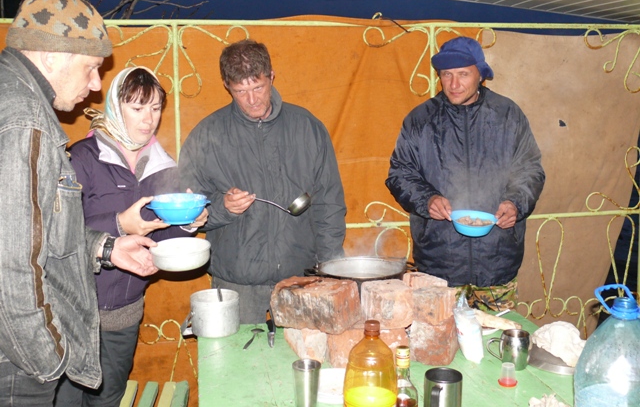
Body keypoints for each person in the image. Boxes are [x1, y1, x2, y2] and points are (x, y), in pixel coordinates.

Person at [0, 0, 158, 407]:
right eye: (90, 68)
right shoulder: (24, 119)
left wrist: (106, 247)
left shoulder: (13, 97)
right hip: (15, 366)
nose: (95, 84)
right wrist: (51, 359)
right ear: (51, 56)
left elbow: (42, 231)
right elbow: (11, 267)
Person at [53, 66, 208, 406]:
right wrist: (119, 223)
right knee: (64, 401)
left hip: (123, 313)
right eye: (137, 107)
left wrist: (188, 224)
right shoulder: (83, 158)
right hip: (72, 313)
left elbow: (160, 235)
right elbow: (56, 229)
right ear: (115, 106)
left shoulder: (163, 166)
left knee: (108, 398)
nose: (148, 119)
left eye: (155, 108)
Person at [178, 39, 347, 324]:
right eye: (241, 91)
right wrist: (224, 208)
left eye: (258, 87)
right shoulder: (207, 135)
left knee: (300, 352)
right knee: (236, 354)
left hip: (300, 279)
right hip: (237, 283)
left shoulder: (307, 128)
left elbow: (329, 204)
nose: (252, 100)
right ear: (226, 86)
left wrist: (331, 268)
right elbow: (187, 212)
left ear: (271, 76)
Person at [385, 36, 545, 311]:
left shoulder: (507, 115)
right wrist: (427, 199)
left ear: (480, 75)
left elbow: (530, 170)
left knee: (496, 334)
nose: (454, 84)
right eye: (446, 74)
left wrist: (516, 204)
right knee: (437, 335)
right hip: (439, 264)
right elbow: (400, 173)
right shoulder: (421, 120)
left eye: (463, 74)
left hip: (497, 263)